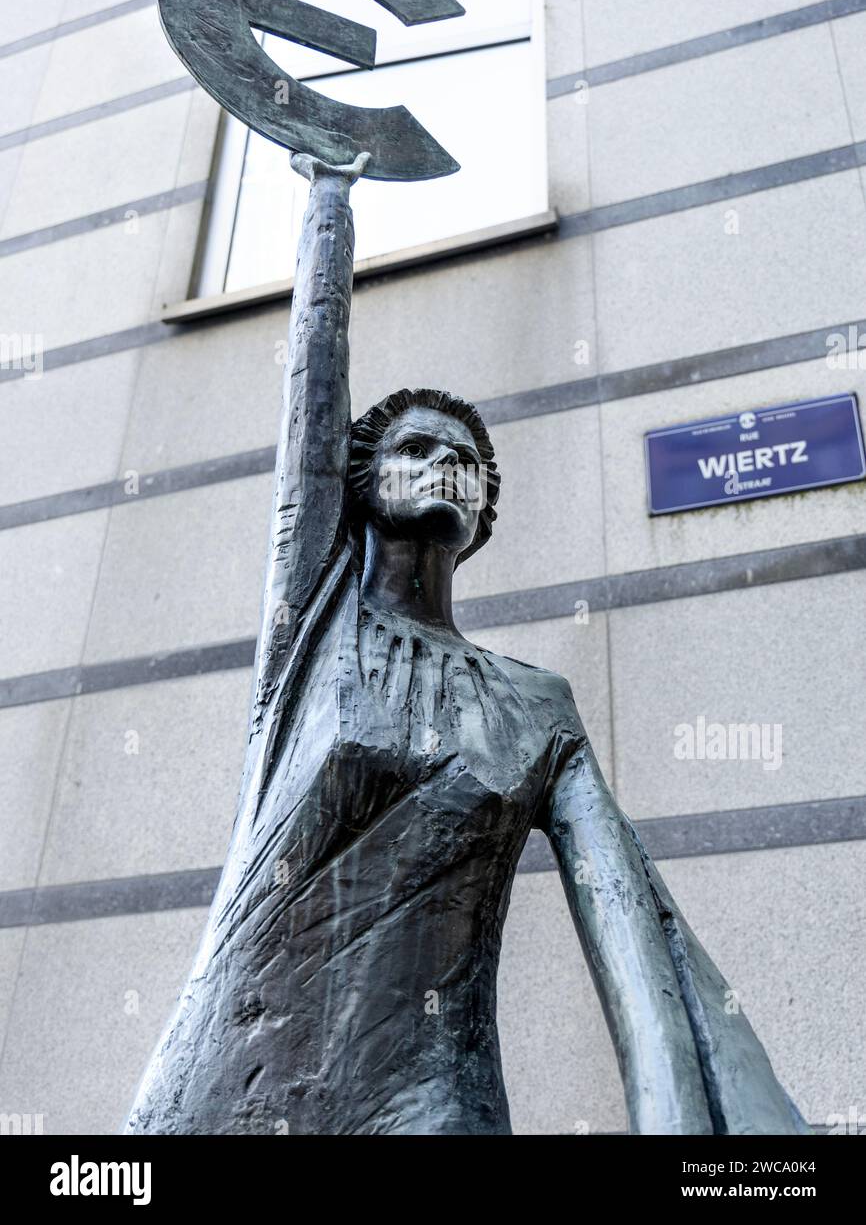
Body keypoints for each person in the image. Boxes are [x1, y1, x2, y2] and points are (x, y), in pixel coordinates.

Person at [124, 153, 810, 1136]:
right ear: (359, 485)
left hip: (426, 1094)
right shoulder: (315, 633)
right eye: (416, 447)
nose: (447, 462)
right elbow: (312, 405)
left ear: (484, 504)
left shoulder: (537, 709)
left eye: (466, 458)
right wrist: (328, 200)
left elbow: (630, 922)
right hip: (232, 1071)